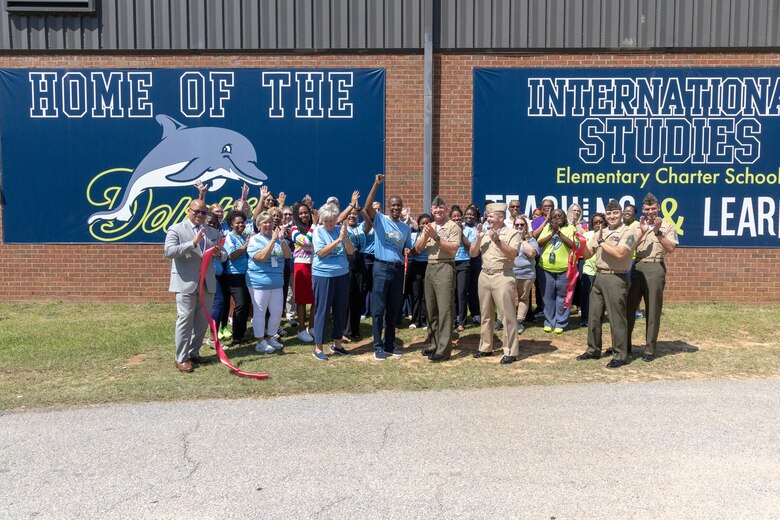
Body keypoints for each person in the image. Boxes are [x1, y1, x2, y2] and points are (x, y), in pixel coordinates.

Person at [164, 199, 227, 373]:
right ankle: (181, 358)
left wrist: (219, 253)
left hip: (207, 282)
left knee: (201, 321)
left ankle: (194, 352)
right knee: (185, 318)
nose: (200, 215)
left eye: (203, 212)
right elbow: (168, 252)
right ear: (188, 210)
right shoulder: (176, 229)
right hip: (186, 282)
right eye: (197, 211)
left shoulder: (212, 231)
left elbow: (224, 255)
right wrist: (192, 243)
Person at [577, 199, 636, 368]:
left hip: (616, 278)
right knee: (594, 316)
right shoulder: (601, 232)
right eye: (609, 214)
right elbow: (587, 255)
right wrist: (581, 242)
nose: (612, 216)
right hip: (599, 276)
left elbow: (620, 253)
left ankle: (620, 355)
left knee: (616, 318)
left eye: (615, 213)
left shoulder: (628, 233)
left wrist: (602, 242)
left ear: (621, 214)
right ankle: (593, 349)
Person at [363, 174, 413, 360]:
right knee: (378, 310)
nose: (396, 208)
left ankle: (390, 345)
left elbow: (407, 246)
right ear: (388, 207)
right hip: (381, 268)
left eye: (398, 205)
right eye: (393, 205)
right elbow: (367, 207)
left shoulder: (405, 228)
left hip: (397, 269)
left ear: (402, 207)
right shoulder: (380, 220)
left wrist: (407, 249)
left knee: (393, 309)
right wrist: (376, 184)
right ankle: (378, 346)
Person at [627, 193, 678, 362]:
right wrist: (642, 232)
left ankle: (649, 349)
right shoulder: (635, 226)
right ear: (642, 209)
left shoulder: (668, 226)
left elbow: (671, 248)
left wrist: (658, 233)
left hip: (656, 267)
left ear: (658, 208)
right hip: (637, 267)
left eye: (653, 208)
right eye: (647, 209)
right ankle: (624, 346)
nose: (650, 212)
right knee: (629, 307)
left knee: (653, 309)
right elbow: (628, 247)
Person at [470, 202, 521, 364]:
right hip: (485, 275)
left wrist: (498, 241)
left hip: (503, 276)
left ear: (501, 217)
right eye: (488, 215)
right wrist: (478, 238)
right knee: (486, 314)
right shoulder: (484, 233)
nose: (488, 218)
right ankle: (486, 347)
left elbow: (513, 253)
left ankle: (510, 351)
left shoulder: (512, 233)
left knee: (507, 316)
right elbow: (473, 253)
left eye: (491, 216)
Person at [414, 196, 461, 362]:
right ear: (432, 210)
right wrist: (426, 236)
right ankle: (433, 344)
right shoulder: (429, 226)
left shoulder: (453, 226)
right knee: (431, 309)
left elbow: (453, 249)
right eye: (435, 208)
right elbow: (418, 249)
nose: (438, 210)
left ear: (446, 209)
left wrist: (436, 237)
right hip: (430, 266)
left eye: (441, 208)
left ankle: (443, 350)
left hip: (445, 266)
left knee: (445, 309)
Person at [310, 203, 355, 360]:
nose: (330, 223)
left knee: (340, 309)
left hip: (342, 274)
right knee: (322, 310)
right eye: (326, 220)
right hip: (323, 275)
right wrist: (338, 240)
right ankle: (318, 347)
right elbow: (321, 253)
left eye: (332, 220)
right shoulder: (318, 231)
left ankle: (337, 344)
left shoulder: (340, 230)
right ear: (322, 220)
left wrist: (345, 237)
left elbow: (350, 251)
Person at [246, 212, 291, 354]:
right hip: (259, 282)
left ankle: (271, 337)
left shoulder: (278, 238)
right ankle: (260, 342)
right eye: (264, 222)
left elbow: (287, 255)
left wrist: (281, 240)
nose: (268, 225)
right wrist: (272, 241)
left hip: (276, 282)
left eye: (270, 222)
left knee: (277, 312)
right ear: (259, 225)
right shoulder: (255, 240)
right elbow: (261, 257)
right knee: (260, 312)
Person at [537, 208, 577, 333]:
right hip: (546, 269)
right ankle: (549, 322)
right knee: (548, 296)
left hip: (565, 269)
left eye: (560, 216)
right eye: (554, 216)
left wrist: (558, 233)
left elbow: (573, 245)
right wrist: (551, 234)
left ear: (565, 218)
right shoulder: (547, 228)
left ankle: (561, 322)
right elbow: (539, 243)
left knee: (563, 296)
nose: (557, 218)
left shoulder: (570, 228)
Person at [344, 196, 372, 340]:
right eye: (350, 214)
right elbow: (338, 219)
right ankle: (346, 330)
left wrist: (360, 209)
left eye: (354, 214)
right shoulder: (343, 228)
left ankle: (355, 329)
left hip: (360, 262)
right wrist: (350, 206)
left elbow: (369, 223)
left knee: (358, 295)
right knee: (348, 296)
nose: (352, 216)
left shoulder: (361, 228)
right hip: (348, 262)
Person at [223, 210, 251, 345]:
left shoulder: (244, 236)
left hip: (247, 274)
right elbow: (232, 256)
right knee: (240, 304)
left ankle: (241, 334)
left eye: (243, 222)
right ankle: (236, 336)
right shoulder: (230, 237)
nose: (241, 225)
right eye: (237, 223)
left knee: (246, 304)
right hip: (235, 275)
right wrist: (246, 246)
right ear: (231, 224)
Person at [290, 201, 317, 342]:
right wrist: (314, 226)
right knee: (301, 300)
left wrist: (314, 226)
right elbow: (306, 242)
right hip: (301, 265)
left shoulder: (314, 227)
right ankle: (301, 329)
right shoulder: (294, 229)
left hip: (315, 265)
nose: (303, 215)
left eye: (306, 212)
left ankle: (311, 327)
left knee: (315, 298)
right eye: (300, 213)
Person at [512, 215, 540, 335]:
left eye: (522, 225)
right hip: (510, 273)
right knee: (508, 297)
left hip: (526, 274)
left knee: (523, 298)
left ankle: (519, 321)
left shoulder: (531, 240)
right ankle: (504, 320)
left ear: (526, 227)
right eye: (517, 225)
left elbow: (532, 253)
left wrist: (522, 240)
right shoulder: (509, 239)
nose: (519, 227)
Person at [580, 213, 606, 328]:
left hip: (603, 270)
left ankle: (599, 317)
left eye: (601, 222)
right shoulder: (587, 235)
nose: (598, 224)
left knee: (601, 297)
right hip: (588, 270)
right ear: (592, 224)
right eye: (595, 222)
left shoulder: (608, 234)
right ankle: (585, 318)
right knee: (587, 296)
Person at [407, 213, 430, 330]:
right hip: (416, 266)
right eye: (422, 223)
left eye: (427, 223)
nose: (425, 225)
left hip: (428, 265)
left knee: (426, 294)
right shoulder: (413, 236)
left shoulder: (433, 236)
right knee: (416, 294)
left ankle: (425, 320)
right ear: (419, 224)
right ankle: (415, 320)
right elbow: (412, 251)